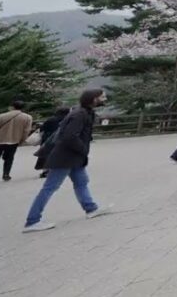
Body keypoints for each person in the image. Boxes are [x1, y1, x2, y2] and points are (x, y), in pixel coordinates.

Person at [23, 88, 112, 232]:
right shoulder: (79, 114)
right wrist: (83, 149)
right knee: (50, 187)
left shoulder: (85, 112)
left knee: (82, 182)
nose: (105, 99)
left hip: (74, 157)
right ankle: (32, 221)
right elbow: (69, 136)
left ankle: (91, 208)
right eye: (102, 97)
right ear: (94, 98)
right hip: (65, 157)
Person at [0, 99, 34, 183]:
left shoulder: (1, 116)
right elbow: (26, 131)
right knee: (9, 158)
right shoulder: (28, 117)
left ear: (12, 107)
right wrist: (21, 140)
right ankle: (6, 174)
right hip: (13, 141)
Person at [34, 107, 69, 178]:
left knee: (46, 156)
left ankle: (45, 171)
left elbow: (42, 129)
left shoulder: (51, 119)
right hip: (61, 140)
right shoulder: (68, 120)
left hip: (48, 139)